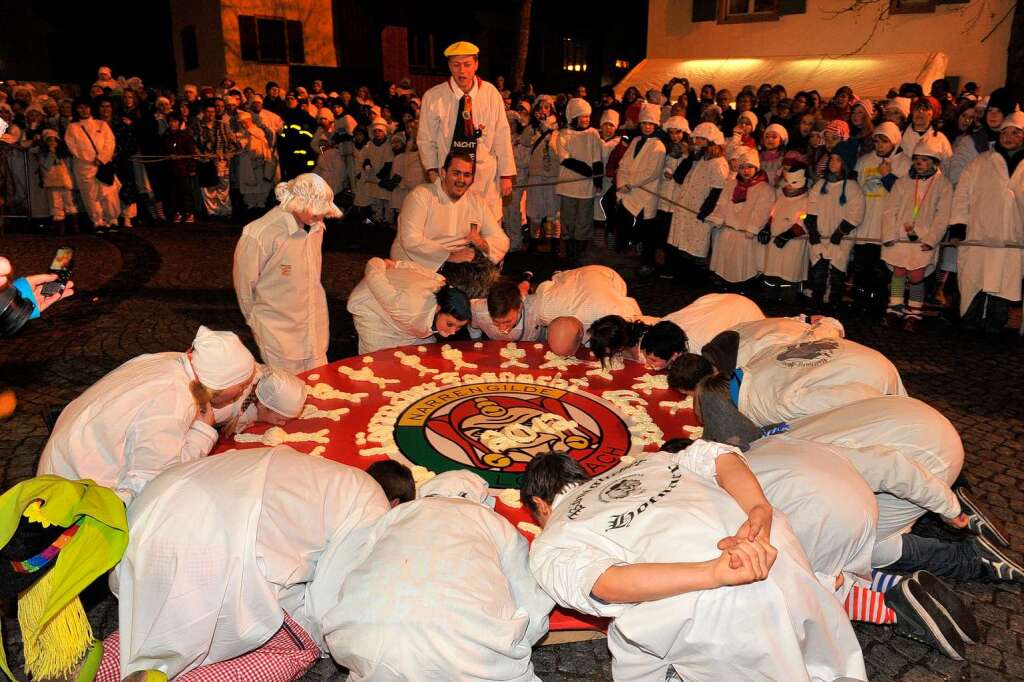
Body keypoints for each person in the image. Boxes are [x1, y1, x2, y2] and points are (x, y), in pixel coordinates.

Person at [522, 448, 867, 682]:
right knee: (824, 653)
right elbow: (720, 456)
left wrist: (714, 572)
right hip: (773, 547)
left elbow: (605, 582)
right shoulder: (649, 461)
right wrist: (759, 510)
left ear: (540, 504)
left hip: (710, 605)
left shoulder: (552, 537)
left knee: (631, 639)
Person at [104, 446, 389, 680]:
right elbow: (328, 602)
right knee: (294, 646)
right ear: (397, 505)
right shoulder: (373, 505)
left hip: (147, 513)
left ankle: (83, 667)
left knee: (147, 632)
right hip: (210, 544)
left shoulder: (328, 475)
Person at [322, 471, 553, 681]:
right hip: (466, 649)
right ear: (480, 500)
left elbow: (353, 570)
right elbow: (531, 602)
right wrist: (512, 643)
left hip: (366, 641)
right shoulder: (493, 521)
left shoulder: (393, 516)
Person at [37, 326, 255, 503]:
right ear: (221, 384)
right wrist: (203, 432)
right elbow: (154, 482)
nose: (242, 391)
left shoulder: (174, 363)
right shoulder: (172, 397)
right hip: (73, 491)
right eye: (242, 385)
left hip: (66, 461)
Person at [668, 324, 905, 427]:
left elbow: (860, 396)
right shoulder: (752, 365)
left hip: (867, 374)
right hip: (851, 354)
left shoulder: (778, 404)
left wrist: (889, 411)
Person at [233, 174, 341, 374]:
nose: (321, 218)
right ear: (298, 203)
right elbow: (244, 286)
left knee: (321, 387)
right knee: (288, 396)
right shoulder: (260, 233)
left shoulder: (316, 226)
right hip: (279, 335)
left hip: (314, 330)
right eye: (316, 212)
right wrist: (254, 320)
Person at [418, 41, 515, 220]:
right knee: (453, 229)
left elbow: (502, 134)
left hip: (485, 177)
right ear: (449, 66)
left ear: (476, 65)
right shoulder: (433, 97)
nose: (462, 71)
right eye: (456, 65)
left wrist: (506, 174)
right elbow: (426, 139)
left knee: (487, 231)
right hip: (450, 178)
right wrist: (432, 171)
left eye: (467, 64)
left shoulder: (491, 93)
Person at [950, 111, 1024, 334]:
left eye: (1015, 132)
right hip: (979, 235)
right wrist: (958, 225)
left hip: (1012, 239)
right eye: (1005, 132)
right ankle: (969, 325)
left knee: (1004, 283)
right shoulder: (979, 163)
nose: (1008, 136)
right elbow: (962, 195)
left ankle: (995, 327)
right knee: (975, 280)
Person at [390, 151, 509, 272]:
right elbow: (411, 240)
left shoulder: (477, 202)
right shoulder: (420, 196)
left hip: (455, 268)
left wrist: (483, 244)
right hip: (413, 266)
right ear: (443, 173)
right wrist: (448, 256)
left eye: (467, 175)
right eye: (456, 173)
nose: (461, 180)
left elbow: (501, 240)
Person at [880, 136, 953, 332]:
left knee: (916, 274)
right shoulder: (903, 182)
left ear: (935, 162)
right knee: (898, 272)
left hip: (923, 239)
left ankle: (913, 312)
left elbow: (943, 215)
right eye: (917, 159)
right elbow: (890, 209)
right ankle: (894, 309)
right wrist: (888, 234)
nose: (920, 163)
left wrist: (931, 239)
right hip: (899, 237)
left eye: (925, 159)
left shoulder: (943, 185)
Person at [347, 257, 472, 354]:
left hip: (405, 309)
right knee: (378, 361)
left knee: (426, 352)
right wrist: (380, 263)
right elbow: (374, 277)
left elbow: (419, 269)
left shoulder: (442, 284)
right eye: (450, 324)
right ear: (439, 308)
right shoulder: (407, 308)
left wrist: (399, 264)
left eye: (459, 327)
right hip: (372, 305)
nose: (453, 332)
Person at [667, 122, 729, 283]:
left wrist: (705, 211)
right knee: (683, 241)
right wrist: (689, 158)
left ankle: (696, 279)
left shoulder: (718, 163)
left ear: (710, 140)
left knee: (696, 244)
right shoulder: (698, 158)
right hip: (686, 207)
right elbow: (679, 177)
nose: (696, 142)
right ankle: (683, 275)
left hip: (699, 210)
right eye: (695, 138)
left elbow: (718, 190)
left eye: (700, 139)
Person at [805, 146, 865, 309]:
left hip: (841, 239)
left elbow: (855, 214)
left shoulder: (853, 188)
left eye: (838, 160)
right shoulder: (819, 186)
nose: (833, 162)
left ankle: (834, 304)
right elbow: (811, 210)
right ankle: (816, 302)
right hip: (821, 236)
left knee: (837, 273)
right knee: (818, 272)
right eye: (832, 158)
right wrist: (814, 234)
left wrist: (837, 235)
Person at [708, 147, 774, 285]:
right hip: (729, 230)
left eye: (750, 167)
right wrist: (718, 218)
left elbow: (762, 211)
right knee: (726, 260)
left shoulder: (764, 189)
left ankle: (745, 284)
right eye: (743, 167)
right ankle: (725, 282)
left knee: (744, 263)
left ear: (756, 168)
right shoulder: (731, 184)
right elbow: (722, 203)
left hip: (746, 234)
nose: (746, 171)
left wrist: (753, 228)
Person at [613, 103, 666, 254]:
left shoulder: (658, 146)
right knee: (623, 222)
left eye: (650, 124)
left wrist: (630, 184)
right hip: (628, 190)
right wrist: (622, 183)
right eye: (644, 123)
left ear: (655, 125)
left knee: (644, 227)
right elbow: (623, 164)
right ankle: (622, 252)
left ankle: (644, 258)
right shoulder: (636, 140)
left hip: (645, 192)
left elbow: (652, 172)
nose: (647, 127)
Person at [556, 98, 603, 263]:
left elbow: (597, 158)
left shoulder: (593, 134)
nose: (586, 119)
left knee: (583, 220)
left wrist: (597, 181)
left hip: (586, 187)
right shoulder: (564, 134)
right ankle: (568, 252)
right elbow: (564, 158)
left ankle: (579, 254)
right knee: (568, 220)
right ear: (574, 117)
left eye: (587, 116)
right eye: (582, 116)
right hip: (568, 185)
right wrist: (587, 170)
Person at [64, 97, 119, 232]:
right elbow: (73, 147)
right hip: (85, 166)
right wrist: (89, 158)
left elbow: (110, 142)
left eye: (86, 107)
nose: (84, 110)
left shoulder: (102, 124)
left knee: (109, 193)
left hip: (103, 164)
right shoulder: (72, 127)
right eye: (81, 108)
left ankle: (112, 219)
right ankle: (98, 221)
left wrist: (101, 158)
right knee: (90, 195)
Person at [762, 161, 811, 301]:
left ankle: (787, 302)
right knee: (772, 271)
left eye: (794, 182)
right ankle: (769, 299)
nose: (789, 186)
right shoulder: (781, 195)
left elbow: (805, 220)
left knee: (789, 273)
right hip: (775, 242)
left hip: (793, 245)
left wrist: (789, 234)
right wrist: (767, 227)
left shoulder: (807, 200)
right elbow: (773, 213)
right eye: (788, 182)